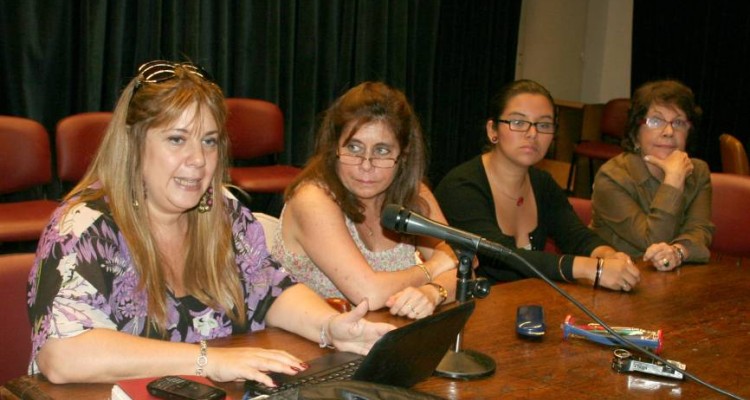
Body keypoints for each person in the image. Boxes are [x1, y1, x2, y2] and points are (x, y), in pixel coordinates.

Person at [27, 60, 393, 386]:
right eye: (176, 139)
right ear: (134, 145)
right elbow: (62, 355)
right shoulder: (85, 228)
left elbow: (270, 290)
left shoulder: (221, 209)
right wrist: (208, 361)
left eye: (209, 141)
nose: (198, 160)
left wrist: (329, 328)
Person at [271, 81, 458, 320]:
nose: (366, 166)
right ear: (334, 148)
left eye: (381, 151)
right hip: (309, 347)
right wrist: (432, 268)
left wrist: (434, 293)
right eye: (355, 148)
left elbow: (463, 266)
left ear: (403, 154)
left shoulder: (414, 194)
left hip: (389, 338)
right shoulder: (312, 199)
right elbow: (368, 293)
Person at [434, 79, 640, 291]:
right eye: (518, 122)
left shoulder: (542, 183)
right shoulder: (461, 187)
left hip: (528, 305)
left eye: (543, 125)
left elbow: (576, 237)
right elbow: (503, 257)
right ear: (492, 130)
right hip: (470, 309)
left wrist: (608, 255)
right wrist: (591, 269)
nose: (532, 134)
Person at [590, 79, 714, 271]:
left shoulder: (698, 172)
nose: (669, 132)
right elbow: (653, 240)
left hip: (676, 278)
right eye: (655, 121)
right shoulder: (612, 177)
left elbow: (700, 231)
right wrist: (673, 181)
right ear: (635, 133)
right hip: (617, 280)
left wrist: (678, 252)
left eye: (679, 122)